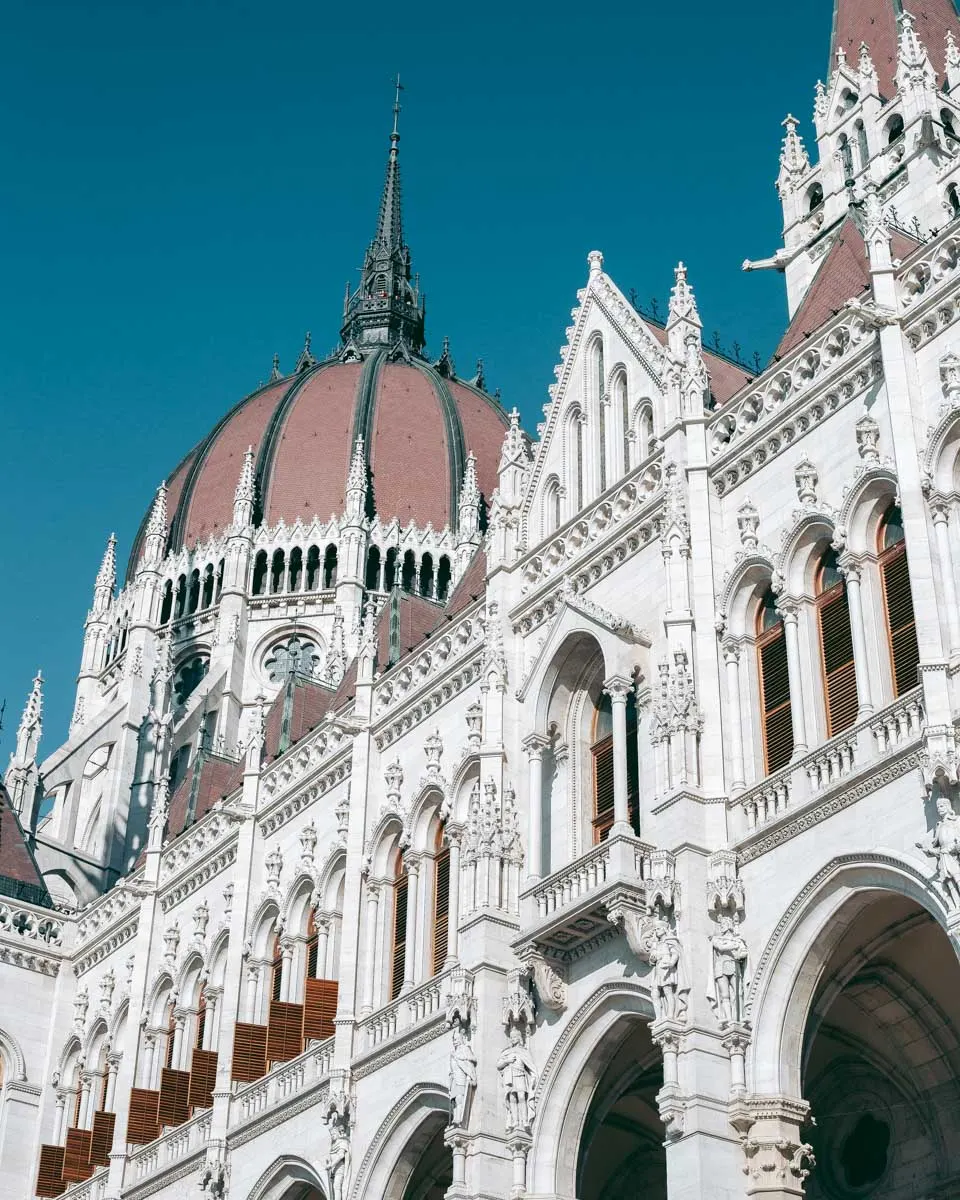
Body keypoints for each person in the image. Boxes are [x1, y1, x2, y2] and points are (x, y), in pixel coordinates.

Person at [917, 796, 960, 909]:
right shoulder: (939, 826)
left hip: (954, 856)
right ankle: (957, 906)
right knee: (949, 883)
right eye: (938, 807)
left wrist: (953, 848)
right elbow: (939, 850)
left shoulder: (956, 820)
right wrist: (928, 850)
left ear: (948, 807)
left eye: (941, 806)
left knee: (958, 879)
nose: (939, 809)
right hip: (944, 857)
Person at [497, 1025, 537, 1131]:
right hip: (510, 1077)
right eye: (511, 1037)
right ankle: (515, 1121)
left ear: (519, 1038)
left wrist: (533, 1076)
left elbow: (530, 1065)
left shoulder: (523, 1051)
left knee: (522, 1096)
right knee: (512, 1098)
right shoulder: (507, 1052)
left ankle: (524, 1121)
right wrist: (507, 1061)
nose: (512, 1039)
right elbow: (499, 1065)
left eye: (514, 1037)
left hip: (520, 1075)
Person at [449, 1024, 477, 1127]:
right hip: (454, 1078)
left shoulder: (464, 1049)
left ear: (461, 1040)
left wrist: (462, 1058)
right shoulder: (453, 1053)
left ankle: (459, 1117)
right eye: (454, 1040)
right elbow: (451, 1070)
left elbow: (473, 1059)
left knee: (460, 1097)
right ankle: (456, 1117)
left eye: (456, 1039)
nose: (454, 1041)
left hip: (461, 1076)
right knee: (455, 1099)